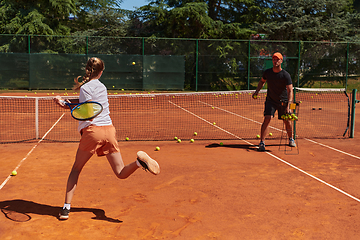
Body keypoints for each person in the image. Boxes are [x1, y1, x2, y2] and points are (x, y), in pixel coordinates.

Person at [53, 57, 160, 220]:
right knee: (120, 172)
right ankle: (139, 163)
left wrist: (65, 104)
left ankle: (66, 209)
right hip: (109, 131)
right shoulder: (102, 87)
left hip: (93, 132)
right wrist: (66, 101)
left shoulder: (85, 87)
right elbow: (89, 103)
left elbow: (85, 109)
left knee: (76, 169)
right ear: (101, 72)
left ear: (87, 70)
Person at [252, 52, 296, 151]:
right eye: (274, 59)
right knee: (267, 118)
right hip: (270, 100)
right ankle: (262, 142)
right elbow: (262, 81)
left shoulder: (285, 75)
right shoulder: (267, 72)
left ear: (281, 61)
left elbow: (290, 90)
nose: (275, 61)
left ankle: (291, 139)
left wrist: (289, 105)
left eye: (277, 59)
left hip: (283, 101)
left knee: (287, 121)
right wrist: (256, 92)